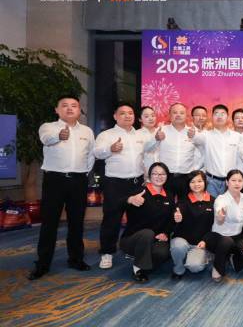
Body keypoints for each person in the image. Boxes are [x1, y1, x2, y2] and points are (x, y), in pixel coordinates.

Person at [29, 95, 95, 280]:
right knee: (49, 223)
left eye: (74, 105)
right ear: (57, 110)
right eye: (64, 105)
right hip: (54, 181)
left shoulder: (87, 131)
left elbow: (91, 155)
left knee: (77, 222)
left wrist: (83, 172)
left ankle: (76, 259)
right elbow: (45, 139)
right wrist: (58, 136)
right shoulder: (48, 127)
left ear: (79, 110)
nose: (70, 108)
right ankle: (42, 264)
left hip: (78, 181)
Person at [95, 102, 156, 270]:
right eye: (122, 113)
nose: (127, 116)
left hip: (136, 182)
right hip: (115, 184)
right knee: (112, 219)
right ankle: (107, 252)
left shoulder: (140, 135)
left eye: (130, 113)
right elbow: (97, 153)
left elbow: (148, 152)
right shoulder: (106, 135)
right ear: (115, 116)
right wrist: (111, 148)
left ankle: (131, 248)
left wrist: (157, 139)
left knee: (137, 219)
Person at [119, 162, 175, 283]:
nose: (159, 176)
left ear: (167, 176)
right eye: (155, 174)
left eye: (162, 174)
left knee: (163, 253)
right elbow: (117, 204)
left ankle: (143, 260)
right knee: (147, 233)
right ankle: (138, 269)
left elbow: (170, 220)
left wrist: (165, 233)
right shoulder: (140, 192)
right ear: (149, 176)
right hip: (133, 239)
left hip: (155, 239)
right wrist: (129, 200)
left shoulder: (169, 196)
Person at [206, 170, 243, 282]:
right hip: (219, 237)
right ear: (227, 182)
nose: (237, 183)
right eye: (233, 180)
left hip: (237, 237)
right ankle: (218, 266)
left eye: (240, 181)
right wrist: (220, 216)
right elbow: (219, 216)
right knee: (226, 241)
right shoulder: (221, 199)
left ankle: (233, 260)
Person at [192, 104, 243, 197]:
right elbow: (196, 139)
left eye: (222, 114)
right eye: (216, 114)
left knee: (229, 205)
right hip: (211, 182)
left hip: (230, 182)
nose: (219, 116)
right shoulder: (206, 135)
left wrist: (238, 179)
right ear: (212, 117)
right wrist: (192, 135)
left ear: (228, 117)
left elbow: (240, 159)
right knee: (212, 205)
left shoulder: (236, 136)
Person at [170, 170, 215, 279]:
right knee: (178, 247)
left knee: (195, 267)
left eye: (199, 181)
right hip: (183, 240)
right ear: (188, 184)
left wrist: (205, 241)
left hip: (200, 244)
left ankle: (205, 255)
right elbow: (177, 212)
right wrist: (176, 217)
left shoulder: (213, 201)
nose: (196, 184)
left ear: (205, 182)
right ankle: (178, 269)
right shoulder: (183, 200)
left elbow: (215, 227)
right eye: (192, 182)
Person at [154, 103, 197, 201]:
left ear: (186, 116)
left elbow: (201, 153)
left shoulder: (192, 132)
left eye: (181, 113)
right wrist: (155, 139)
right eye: (175, 112)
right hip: (166, 177)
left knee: (185, 205)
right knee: (165, 204)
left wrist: (196, 169)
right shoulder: (161, 130)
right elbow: (148, 149)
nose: (178, 115)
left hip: (186, 177)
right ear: (169, 115)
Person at [138, 106, 159, 179]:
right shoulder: (136, 134)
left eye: (153, 115)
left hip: (162, 173)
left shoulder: (162, 132)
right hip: (144, 174)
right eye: (146, 116)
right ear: (140, 119)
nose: (151, 118)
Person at [191, 105, 208, 170]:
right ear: (192, 117)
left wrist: (196, 168)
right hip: (187, 171)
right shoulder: (186, 132)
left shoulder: (209, 134)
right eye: (198, 115)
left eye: (204, 116)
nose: (201, 118)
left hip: (205, 171)